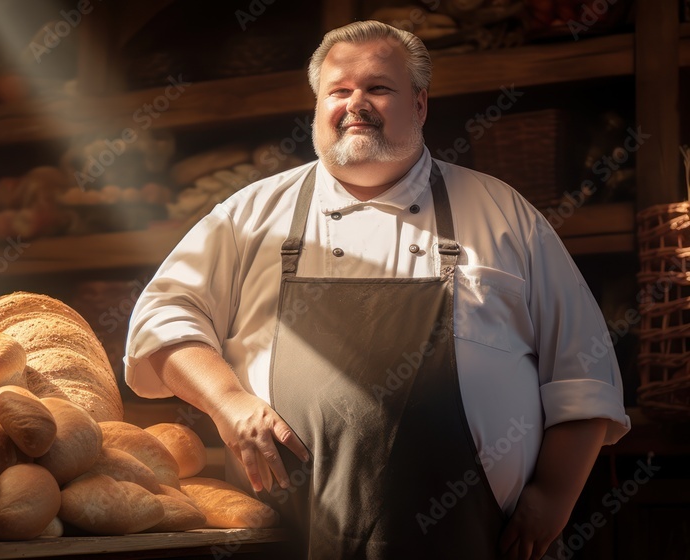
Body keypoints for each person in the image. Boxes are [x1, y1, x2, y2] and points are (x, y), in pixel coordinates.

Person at [125, 20, 630, 560]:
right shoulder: (251, 214)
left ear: (420, 105)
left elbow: (583, 371)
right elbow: (162, 319)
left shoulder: (503, 213)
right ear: (317, 108)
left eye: (379, 88)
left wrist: (553, 497)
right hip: (285, 537)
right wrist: (227, 402)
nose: (356, 103)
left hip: (475, 537)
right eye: (338, 91)